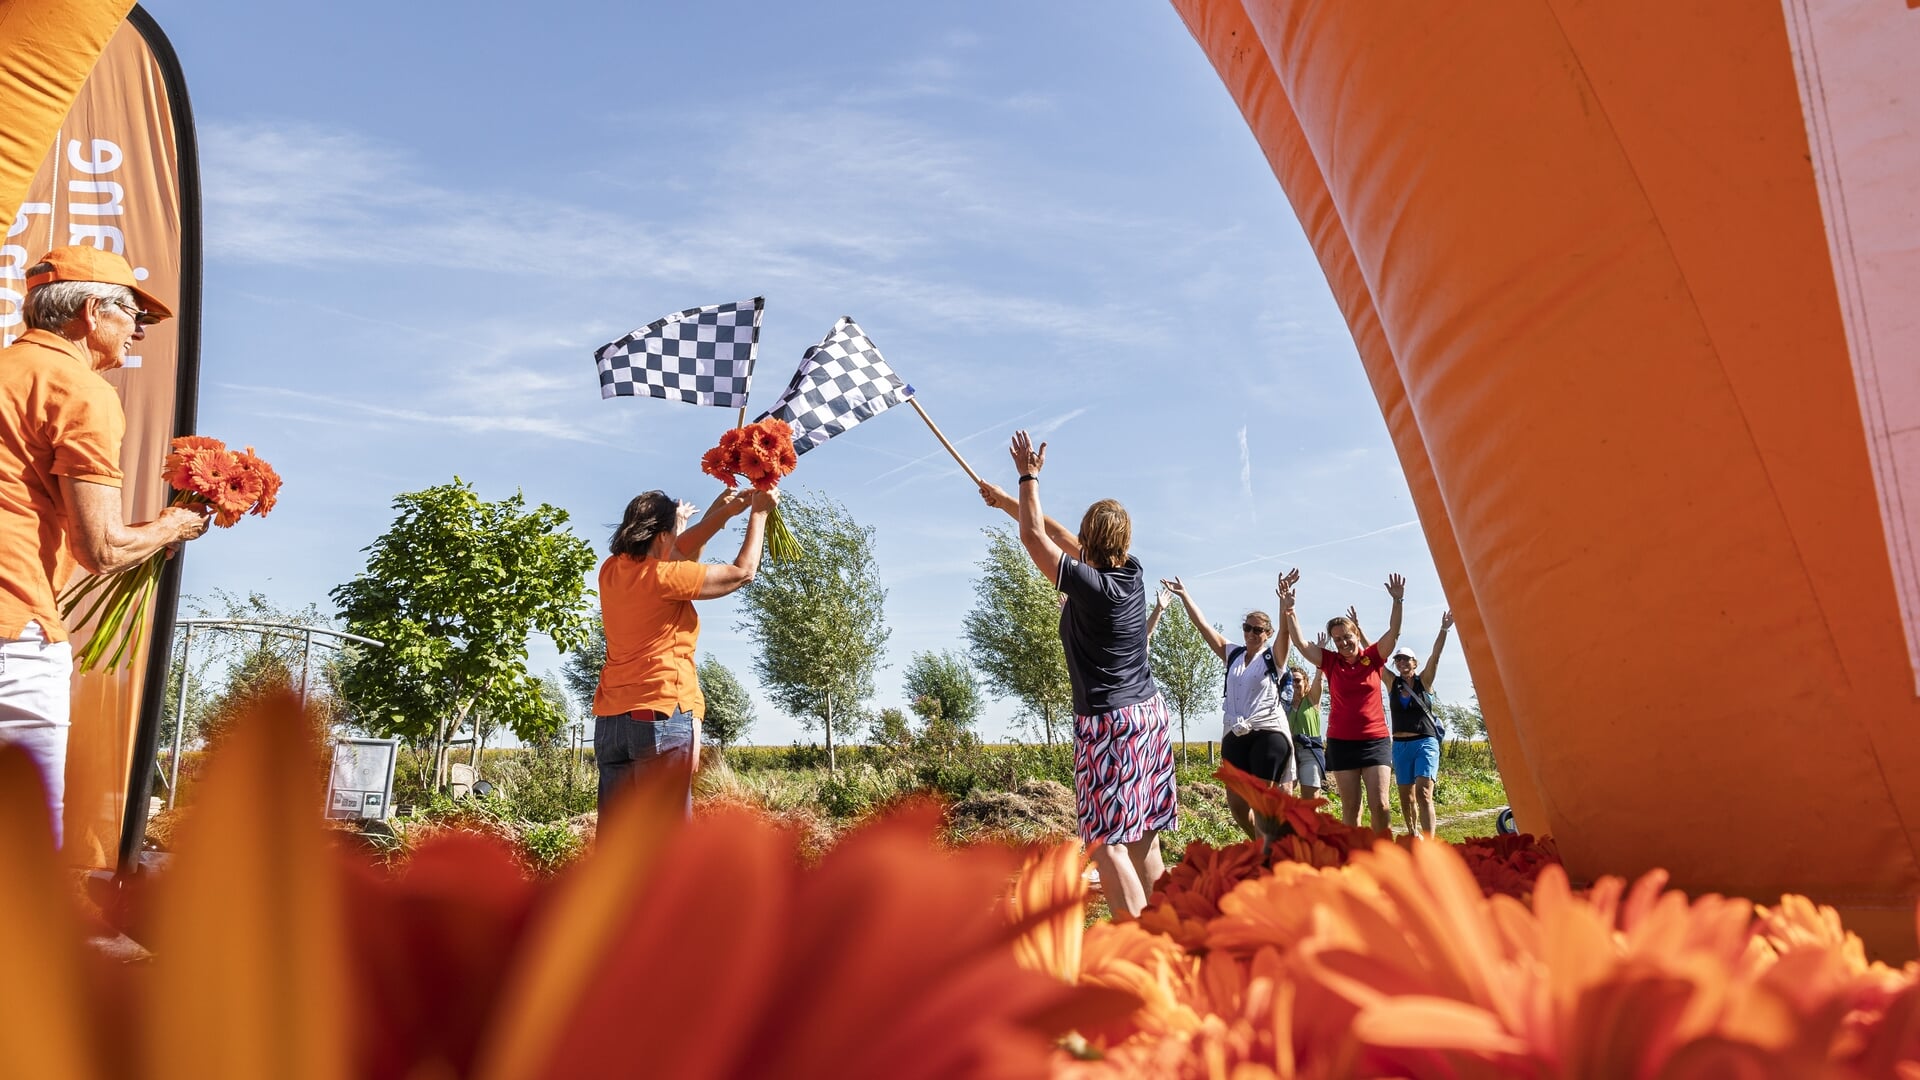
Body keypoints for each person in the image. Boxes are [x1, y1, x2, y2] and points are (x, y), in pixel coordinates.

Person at [1, 247, 210, 846]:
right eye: (132, 313)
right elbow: (105, 550)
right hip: (13, 635)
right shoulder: (79, 390)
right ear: (92, 312)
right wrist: (175, 524)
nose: (138, 332)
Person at [977, 434, 1174, 920]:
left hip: (1110, 726)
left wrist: (1028, 478)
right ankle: (1174, 935)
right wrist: (1008, 501)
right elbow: (1062, 540)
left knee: (1107, 843)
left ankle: (1140, 946)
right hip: (1148, 718)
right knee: (1144, 837)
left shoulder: (1092, 587)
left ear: (1090, 542)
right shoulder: (1131, 574)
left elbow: (1035, 540)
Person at [591, 485, 771, 816]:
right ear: (661, 536)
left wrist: (723, 512)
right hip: (659, 714)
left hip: (611, 723)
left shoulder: (610, 571)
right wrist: (759, 513)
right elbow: (742, 573)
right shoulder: (665, 579)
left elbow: (680, 551)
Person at [1160, 575, 1295, 841]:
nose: (1251, 633)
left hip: (1267, 732)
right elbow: (1202, 626)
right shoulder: (1232, 653)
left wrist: (1285, 606)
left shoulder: (1273, 658)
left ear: (1268, 634)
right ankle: (1264, 843)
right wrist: (1184, 595)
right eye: (1247, 628)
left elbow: (1287, 634)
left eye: (1258, 630)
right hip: (1235, 732)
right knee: (1237, 806)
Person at [1278, 569, 1406, 839]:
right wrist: (1290, 609)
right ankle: (1354, 859)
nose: (1343, 642)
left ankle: (1385, 857)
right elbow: (1301, 644)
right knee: (1351, 808)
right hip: (1342, 742)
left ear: (1356, 634)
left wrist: (1397, 601)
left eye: (1347, 636)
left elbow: (1393, 633)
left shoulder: (1373, 658)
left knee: (1380, 805)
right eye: (1337, 639)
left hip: (1375, 741)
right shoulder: (1331, 662)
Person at [1388, 611, 1454, 838]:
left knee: (1423, 793)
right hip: (1400, 745)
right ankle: (1412, 834)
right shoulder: (1392, 683)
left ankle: (1430, 841)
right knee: (1406, 796)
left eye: (1406, 659)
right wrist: (1358, 630)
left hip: (1425, 742)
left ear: (1415, 662)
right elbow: (1374, 658)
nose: (1402, 662)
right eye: (1398, 659)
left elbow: (1435, 656)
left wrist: (1444, 629)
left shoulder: (1424, 681)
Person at [1287, 656, 1327, 801]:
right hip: (1289, 753)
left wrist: (1319, 659)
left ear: (1305, 682)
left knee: (1310, 800)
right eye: (1290, 681)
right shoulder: (1285, 705)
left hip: (1309, 752)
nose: (1294, 684)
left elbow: (1319, 678)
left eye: (1297, 680)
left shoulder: (1311, 700)